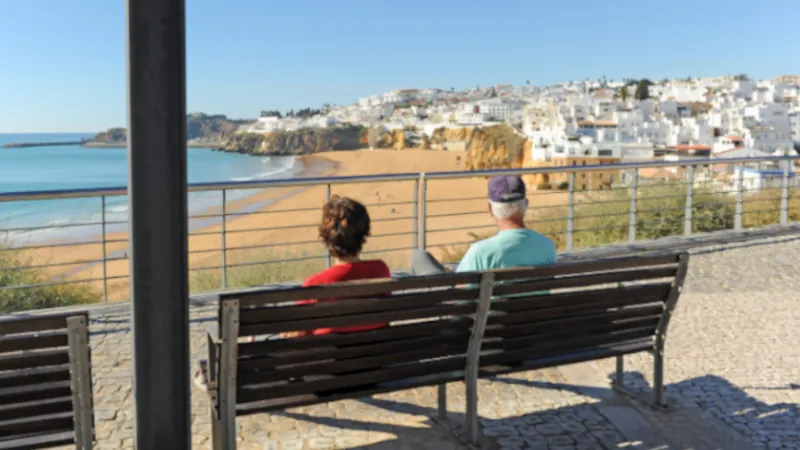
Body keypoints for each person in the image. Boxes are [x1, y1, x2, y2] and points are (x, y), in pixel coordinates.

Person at [411, 175, 556, 275]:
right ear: (527, 204)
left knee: (419, 257)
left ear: (490, 209)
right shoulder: (547, 246)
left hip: (489, 320)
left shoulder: (481, 252)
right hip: (535, 318)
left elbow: (460, 297)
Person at [292, 195, 391, 335]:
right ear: (364, 233)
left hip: (331, 356)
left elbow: (299, 335)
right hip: (379, 354)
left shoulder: (314, 285)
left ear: (326, 238)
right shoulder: (381, 270)